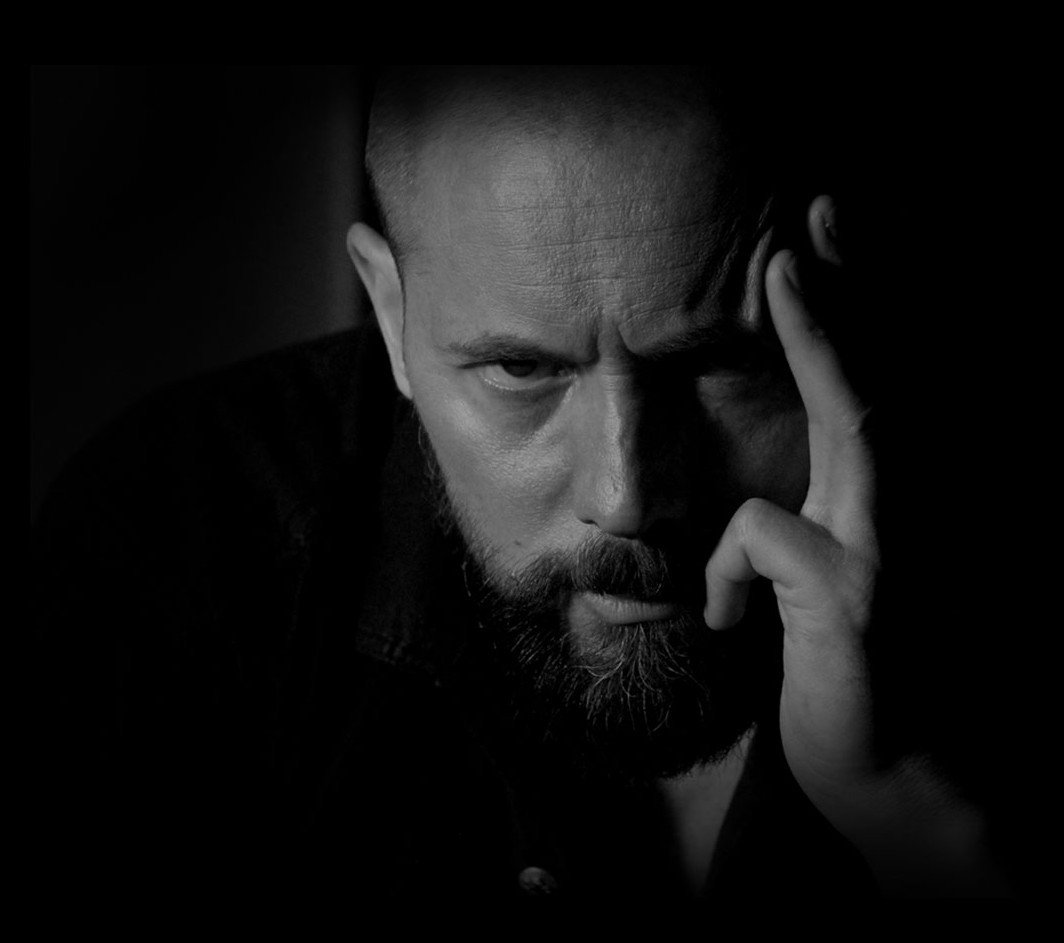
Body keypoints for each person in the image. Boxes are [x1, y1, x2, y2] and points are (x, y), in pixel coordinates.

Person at [31, 64, 1013, 907]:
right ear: (390, 314)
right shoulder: (175, 549)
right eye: (521, 369)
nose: (625, 496)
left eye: (717, 362)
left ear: (842, 287)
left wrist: (904, 807)